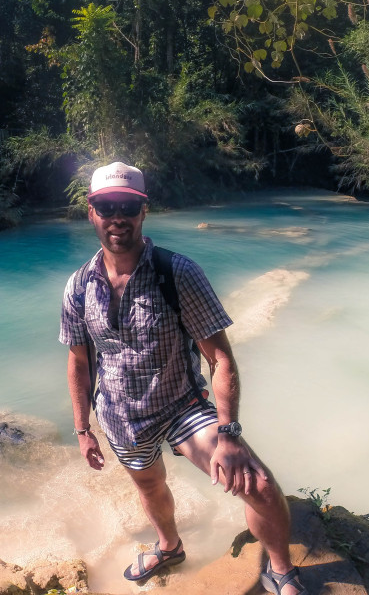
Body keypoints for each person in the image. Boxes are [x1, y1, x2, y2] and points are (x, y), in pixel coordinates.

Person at [59, 161, 307, 595]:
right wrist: (82, 429)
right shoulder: (79, 286)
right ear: (91, 212)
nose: (117, 216)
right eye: (106, 206)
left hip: (182, 406)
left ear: (143, 211)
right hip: (120, 418)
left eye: (127, 206)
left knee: (259, 485)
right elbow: (80, 363)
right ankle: (170, 547)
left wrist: (228, 435)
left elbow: (221, 359)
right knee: (151, 488)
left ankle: (281, 570)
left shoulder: (177, 274)